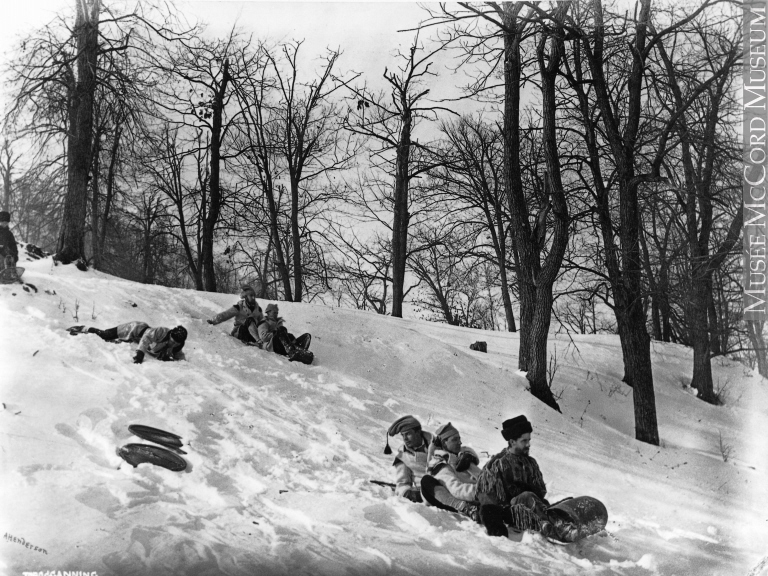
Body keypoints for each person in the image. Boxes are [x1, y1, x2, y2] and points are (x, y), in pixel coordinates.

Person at [474, 415, 552, 537]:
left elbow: (540, 491)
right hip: (508, 512)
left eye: (529, 440)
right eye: (524, 441)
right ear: (512, 442)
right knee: (528, 496)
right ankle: (549, 526)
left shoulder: (531, 462)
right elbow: (486, 497)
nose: (528, 444)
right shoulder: (497, 464)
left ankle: (558, 520)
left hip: (530, 506)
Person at [420, 422, 482, 521]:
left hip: (478, 495)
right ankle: (465, 507)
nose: (460, 442)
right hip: (464, 498)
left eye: (459, 438)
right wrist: (482, 491)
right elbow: (456, 489)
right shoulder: (441, 463)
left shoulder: (464, 457)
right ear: (444, 442)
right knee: (426, 480)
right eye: (455, 439)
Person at [384, 415, 432, 503]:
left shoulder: (438, 444)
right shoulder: (403, 456)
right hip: (427, 495)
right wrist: (409, 494)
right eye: (403, 435)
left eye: (408, 434)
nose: (405, 439)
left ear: (418, 432)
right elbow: (402, 484)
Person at [68, 321, 150, 343]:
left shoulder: (149, 331)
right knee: (105, 335)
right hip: (123, 329)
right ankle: (83, 328)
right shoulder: (148, 333)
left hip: (125, 328)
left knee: (106, 335)